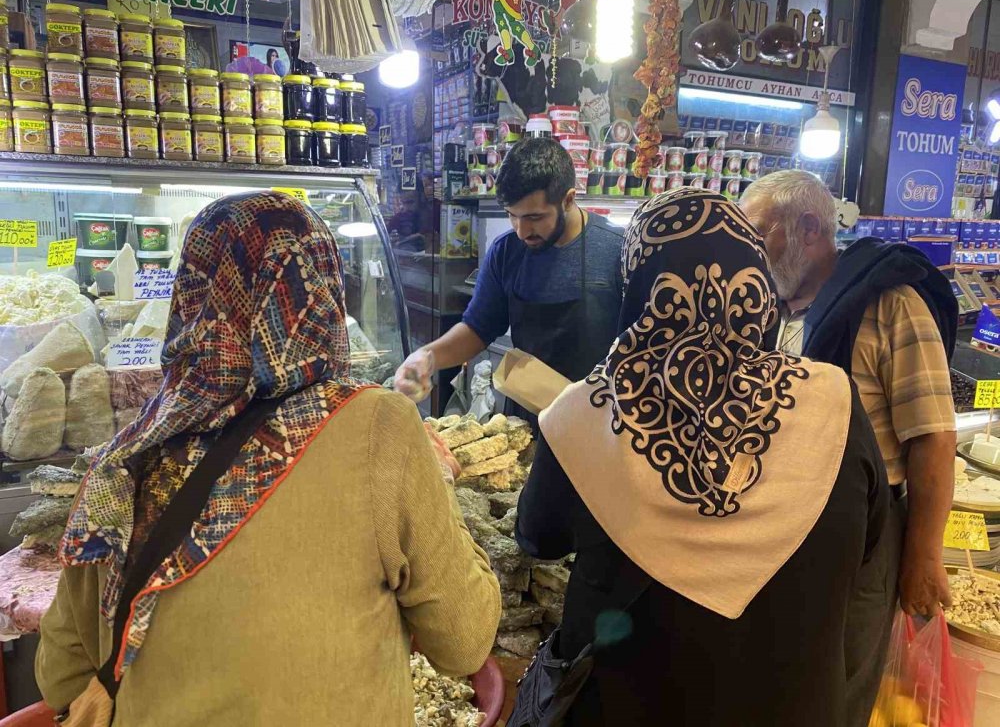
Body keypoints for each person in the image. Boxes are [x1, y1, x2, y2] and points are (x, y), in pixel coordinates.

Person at [35, 191, 500, 724]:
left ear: (193, 292)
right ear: (322, 292)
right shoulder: (380, 426)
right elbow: (464, 643)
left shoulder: (130, 453)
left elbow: (60, 676)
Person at [514, 188, 888, 726]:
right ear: (755, 281)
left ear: (640, 288)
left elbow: (539, 536)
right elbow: (869, 543)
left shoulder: (586, 411)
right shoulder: (832, 398)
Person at [739, 170, 957, 727]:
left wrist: (923, 556)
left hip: (866, 536)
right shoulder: (773, 311)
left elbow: (933, 437)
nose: (750, 249)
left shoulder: (891, 304)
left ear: (809, 227)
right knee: (785, 680)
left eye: (761, 234)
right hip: (781, 529)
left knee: (841, 682)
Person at [394, 136, 624, 417]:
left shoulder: (618, 250)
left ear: (568, 200)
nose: (521, 231)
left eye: (535, 218)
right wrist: (427, 357)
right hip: (530, 413)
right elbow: (478, 328)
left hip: (602, 420)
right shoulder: (507, 252)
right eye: (512, 216)